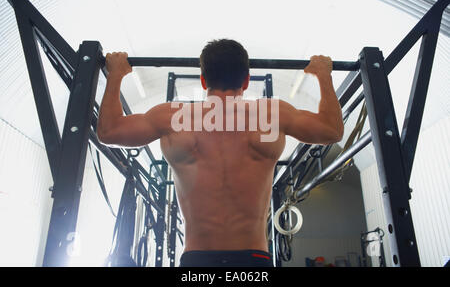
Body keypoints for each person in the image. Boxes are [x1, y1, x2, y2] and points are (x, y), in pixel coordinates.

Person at [97, 39, 344, 267]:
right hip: (253, 259)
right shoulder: (273, 115)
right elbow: (331, 130)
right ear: (246, 81)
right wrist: (323, 75)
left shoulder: (172, 117)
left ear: (204, 81)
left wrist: (116, 75)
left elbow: (108, 131)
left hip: (197, 259)